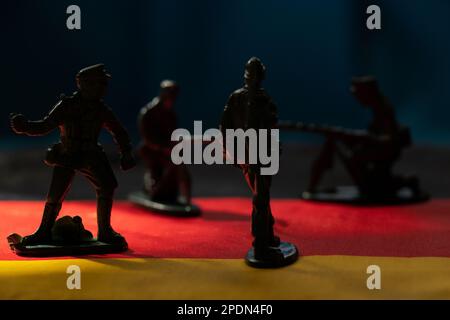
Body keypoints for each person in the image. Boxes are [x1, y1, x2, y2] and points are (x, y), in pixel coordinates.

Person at [10, 64, 136, 246]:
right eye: (98, 84)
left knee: (107, 186)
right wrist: (26, 127)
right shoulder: (67, 106)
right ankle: (43, 232)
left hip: (92, 154)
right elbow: (45, 125)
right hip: (67, 154)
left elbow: (119, 131)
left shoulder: (101, 109)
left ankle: (105, 231)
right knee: (55, 194)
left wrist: (126, 153)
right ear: (84, 84)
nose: (103, 88)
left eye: (104, 84)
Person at [138, 80, 192, 205]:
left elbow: (173, 134)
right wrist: (163, 148)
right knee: (156, 174)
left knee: (179, 169)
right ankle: (153, 190)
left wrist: (176, 146)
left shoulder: (171, 114)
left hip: (166, 150)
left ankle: (178, 196)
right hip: (151, 150)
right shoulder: (148, 113)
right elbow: (148, 139)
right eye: (170, 95)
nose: (172, 99)